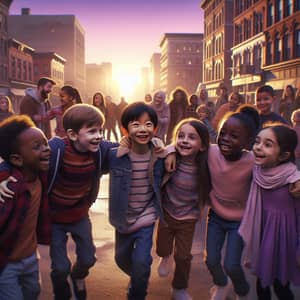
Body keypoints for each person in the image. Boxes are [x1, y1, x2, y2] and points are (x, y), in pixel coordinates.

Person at [0, 104, 118, 300]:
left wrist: (159, 146)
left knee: (88, 258)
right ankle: (61, 293)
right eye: (92, 131)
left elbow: (126, 147)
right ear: (72, 135)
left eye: (100, 130)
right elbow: (13, 162)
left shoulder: (98, 151)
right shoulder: (55, 150)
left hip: (79, 215)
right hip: (54, 218)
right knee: (60, 267)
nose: (98, 136)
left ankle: (78, 276)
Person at [108, 102, 166, 300]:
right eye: (136, 124)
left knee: (142, 262)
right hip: (123, 218)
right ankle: (139, 277)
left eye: (148, 124)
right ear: (125, 129)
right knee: (121, 259)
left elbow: (184, 152)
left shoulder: (159, 155)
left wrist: (170, 150)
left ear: (155, 129)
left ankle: (137, 292)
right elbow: (93, 149)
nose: (143, 129)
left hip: (146, 216)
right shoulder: (116, 155)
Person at [239, 124, 300, 300]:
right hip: (263, 234)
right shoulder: (257, 170)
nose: (258, 147)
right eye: (257, 142)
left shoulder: (293, 179)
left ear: (284, 155)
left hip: (284, 240)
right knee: (261, 283)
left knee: (281, 286)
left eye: (268, 144)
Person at [156, 118, 210, 300]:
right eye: (181, 136)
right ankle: (165, 256)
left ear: (202, 146)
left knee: (184, 256)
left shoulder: (206, 165)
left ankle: (179, 288)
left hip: (188, 217)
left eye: (192, 137)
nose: (185, 140)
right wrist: (171, 149)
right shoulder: (171, 158)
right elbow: (156, 145)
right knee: (162, 246)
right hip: (166, 212)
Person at [0, 115, 51, 300]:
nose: (46, 149)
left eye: (45, 143)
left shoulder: (42, 175)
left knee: (33, 292)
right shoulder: (8, 187)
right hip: (6, 264)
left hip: (30, 257)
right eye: (37, 147)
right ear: (17, 159)